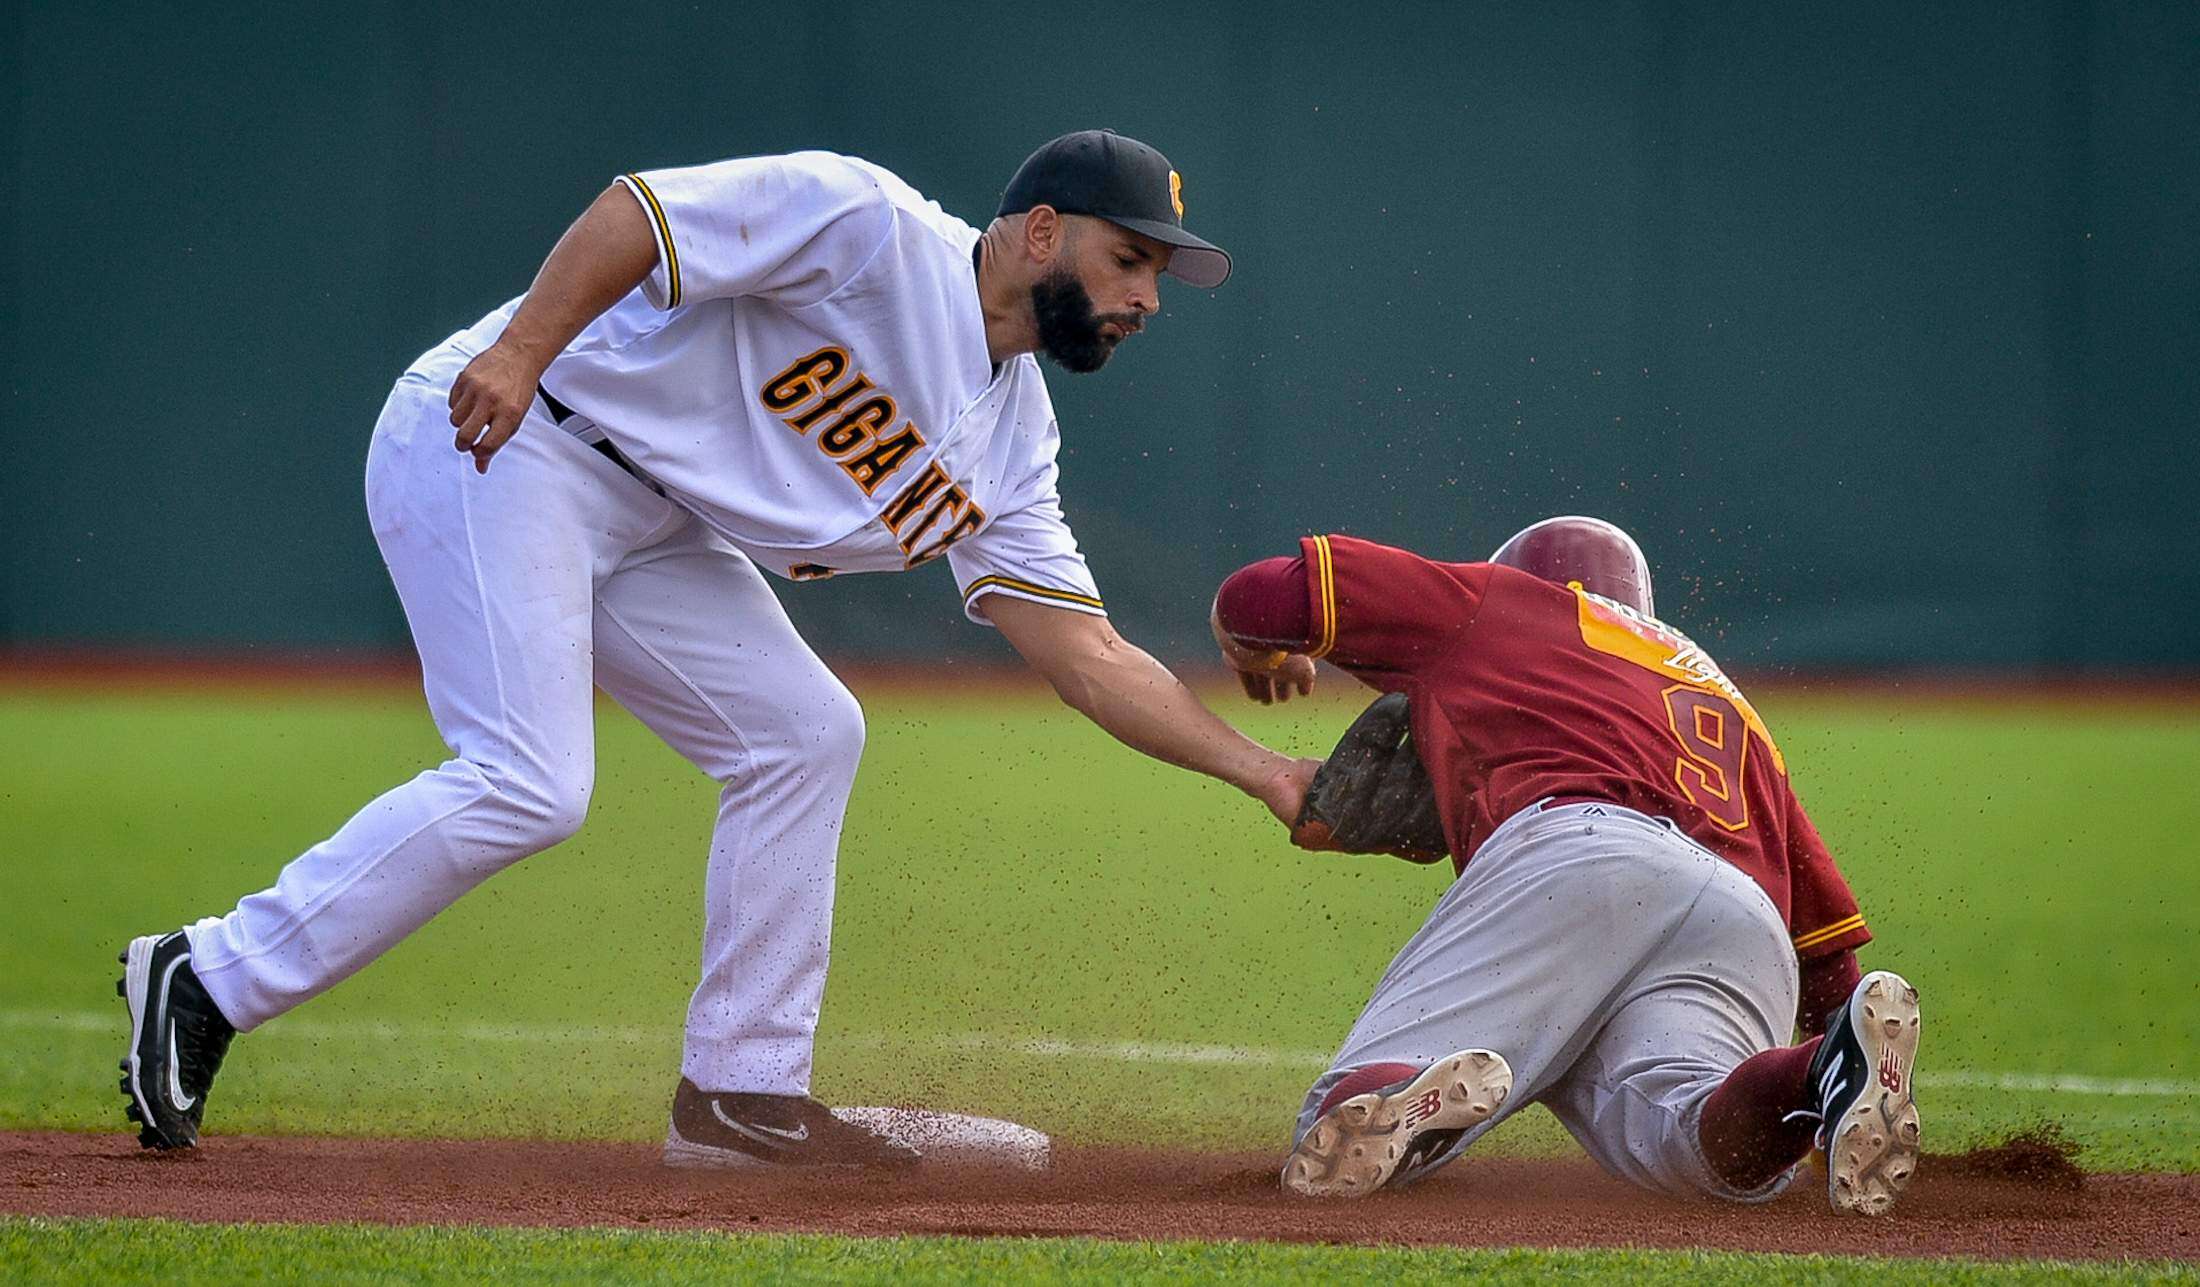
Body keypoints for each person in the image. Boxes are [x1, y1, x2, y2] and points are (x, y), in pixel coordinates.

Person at [116, 130, 1317, 1169]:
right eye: (1130, 261)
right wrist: (524, 349)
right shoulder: (869, 227)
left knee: (805, 735)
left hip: (655, 524)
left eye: (1157, 275)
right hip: (515, 439)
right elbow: (641, 211)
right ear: (1041, 232)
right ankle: (209, 977)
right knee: (531, 780)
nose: (1147, 298)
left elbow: (1087, 655)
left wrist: (1265, 772)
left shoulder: (1011, 443)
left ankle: (737, 1095)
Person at [1208, 516, 1921, 1215]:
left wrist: (1253, 650)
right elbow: (1829, 967)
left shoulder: (1497, 600)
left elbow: (1259, 597)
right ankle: (1817, 1072)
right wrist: (1832, 1068)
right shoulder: (1734, 710)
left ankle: (1410, 1084)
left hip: (1579, 855)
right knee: (1696, 1146)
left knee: (1327, 1130)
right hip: (1741, 916)